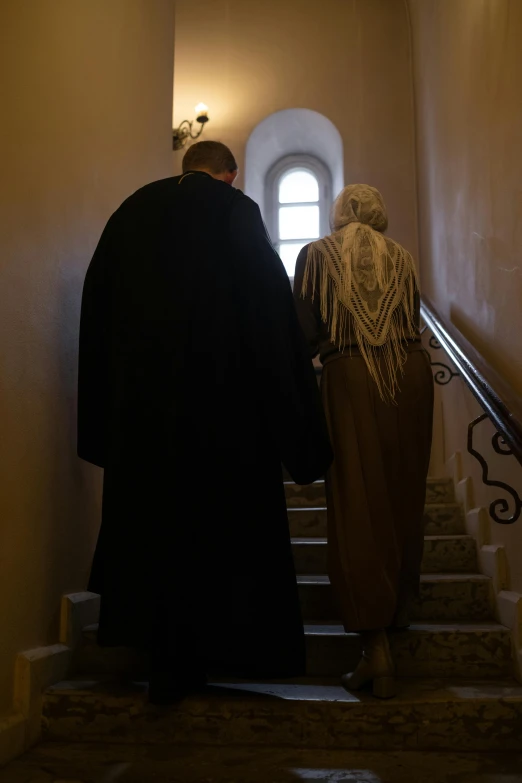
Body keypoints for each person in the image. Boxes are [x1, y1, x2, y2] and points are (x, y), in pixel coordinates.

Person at [78, 140, 332, 704]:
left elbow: (95, 313)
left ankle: (160, 656)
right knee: (219, 538)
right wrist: (299, 433)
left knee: (153, 535)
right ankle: (221, 652)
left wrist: (103, 422)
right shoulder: (236, 213)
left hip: (142, 424)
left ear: (185, 168)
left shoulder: (132, 210)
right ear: (231, 176)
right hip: (226, 421)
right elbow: (270, 314)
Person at [293, 184, 433, 699]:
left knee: (357, 501)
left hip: (349, 374)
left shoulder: (315, 254)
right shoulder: (402, 255)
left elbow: (302, 329)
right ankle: (396, 617)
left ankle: (374, 650)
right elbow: (413, 317)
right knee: (403, 495)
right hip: (411, 375)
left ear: (336, 214)